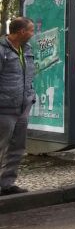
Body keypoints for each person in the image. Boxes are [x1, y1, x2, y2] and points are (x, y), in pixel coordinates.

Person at [0, 18, 36, 196]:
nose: (32, 34)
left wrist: (31, 95)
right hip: (4, 108)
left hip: (22, 107)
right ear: (21, 31)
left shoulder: (27, 49)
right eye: (31, 30)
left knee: (17, 148)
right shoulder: (2, 50)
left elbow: (29, 76)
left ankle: (7, 183)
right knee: (1, 146)